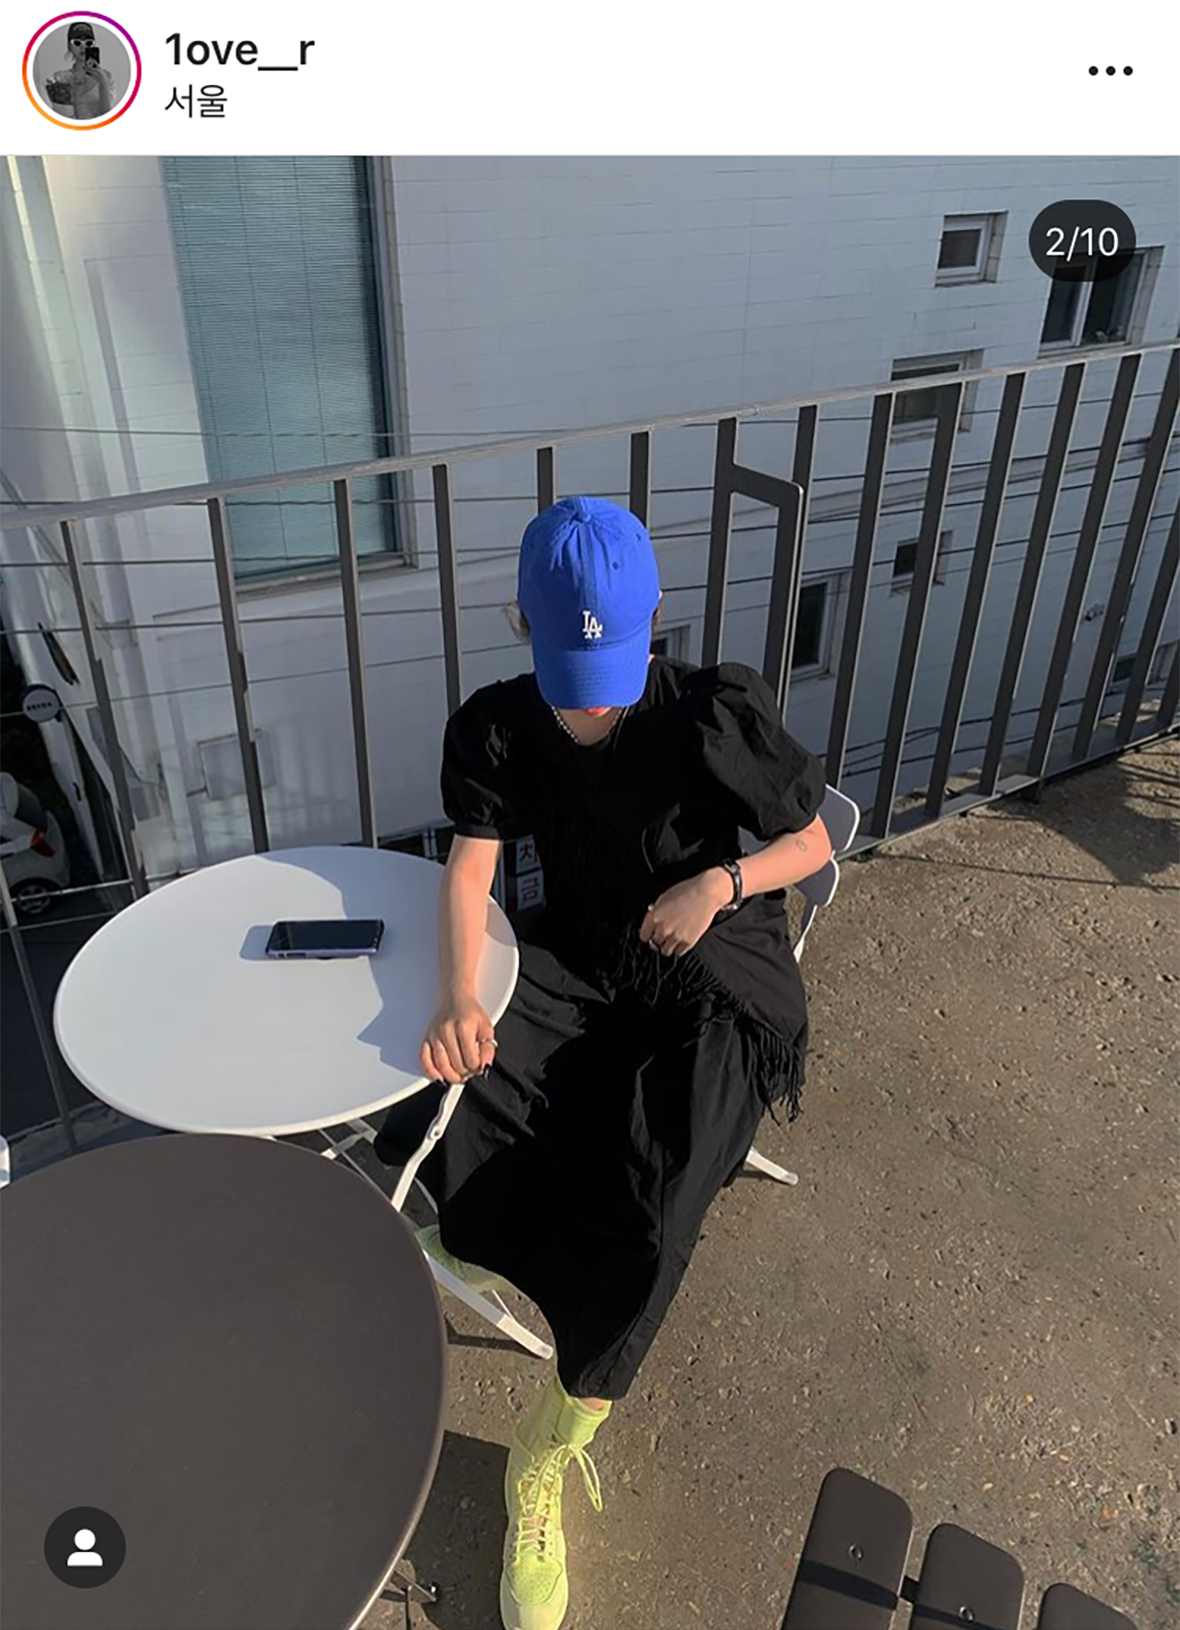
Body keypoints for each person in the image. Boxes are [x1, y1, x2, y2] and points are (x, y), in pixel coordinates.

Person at [374, 496, 832, 1630]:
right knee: (452, 1069)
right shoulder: (498, 727)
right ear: (520, 623)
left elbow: (814, 837)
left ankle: (547, 1444)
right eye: (573, 672)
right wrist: (455, 994)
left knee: (659, 1211)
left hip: (715, 976)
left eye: (612, 668)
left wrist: (719, 881)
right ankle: (479, 1230)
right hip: (585, 957)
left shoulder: (708, 710)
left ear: (655, 616)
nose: (596, 701)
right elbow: (470, 873)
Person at [48, 22, 114, 121]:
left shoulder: (107, 77)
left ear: (93, 45)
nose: (83, 47)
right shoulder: (60, 78)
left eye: (88, 43)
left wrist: (103, 83)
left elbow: (106, 116)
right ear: (69, 46)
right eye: (77, 42)